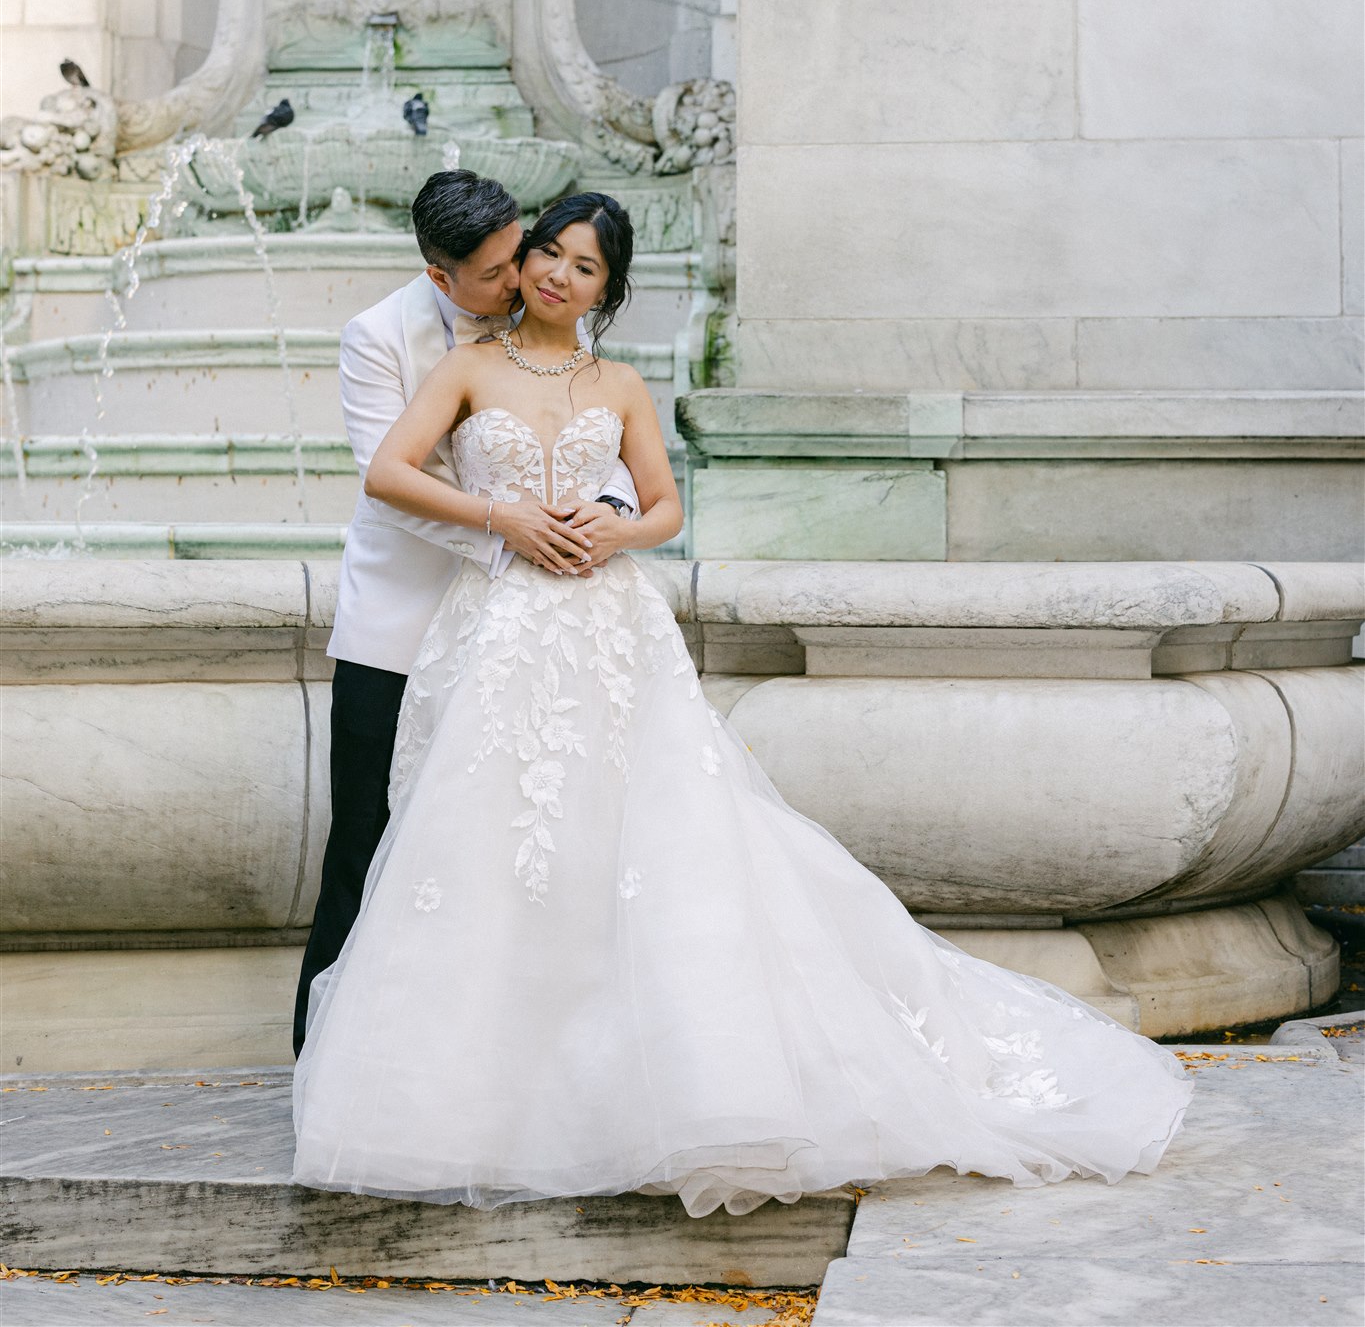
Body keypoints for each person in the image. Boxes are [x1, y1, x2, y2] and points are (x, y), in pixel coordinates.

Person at [292, 190, 1190, 1215]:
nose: (554, 274)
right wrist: (507, 518)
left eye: (583, 265)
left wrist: (615, 530)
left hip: (606, 624)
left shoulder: (622, 383)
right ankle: (477, 1091)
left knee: (648, 831)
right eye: (546, 253)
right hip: (501, 629)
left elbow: (667, 504)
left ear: (608, 288)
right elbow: (387, 470)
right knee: (496, 839)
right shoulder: (464, 365)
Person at [291, 170, 638, 1056]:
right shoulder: (377, 338)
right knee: (366, 831)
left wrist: (610, 514)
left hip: (525, 618)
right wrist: (510, 533)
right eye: (495, 270)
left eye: (522, 250)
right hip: (405, 618)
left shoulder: (552, 327)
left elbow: (596, 444)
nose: (523, 273)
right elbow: (395, 488)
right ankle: (325, 1053)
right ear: (442, 279)